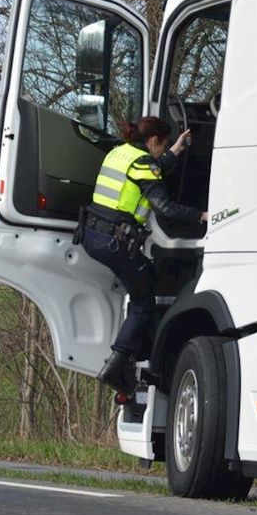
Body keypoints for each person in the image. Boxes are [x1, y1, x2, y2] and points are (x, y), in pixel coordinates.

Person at [78, 116, 206, 392]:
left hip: (92, 235)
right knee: (144, 300)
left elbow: (149, 169)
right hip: (115, 243)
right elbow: (166, 208)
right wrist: (202, 215)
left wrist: (174, 152)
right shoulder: (143, 163)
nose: (166, 147)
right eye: (165, 143)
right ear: (153, 141)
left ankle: (129, 360)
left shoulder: (120, 152)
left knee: (144, 280)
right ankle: (115, 366)